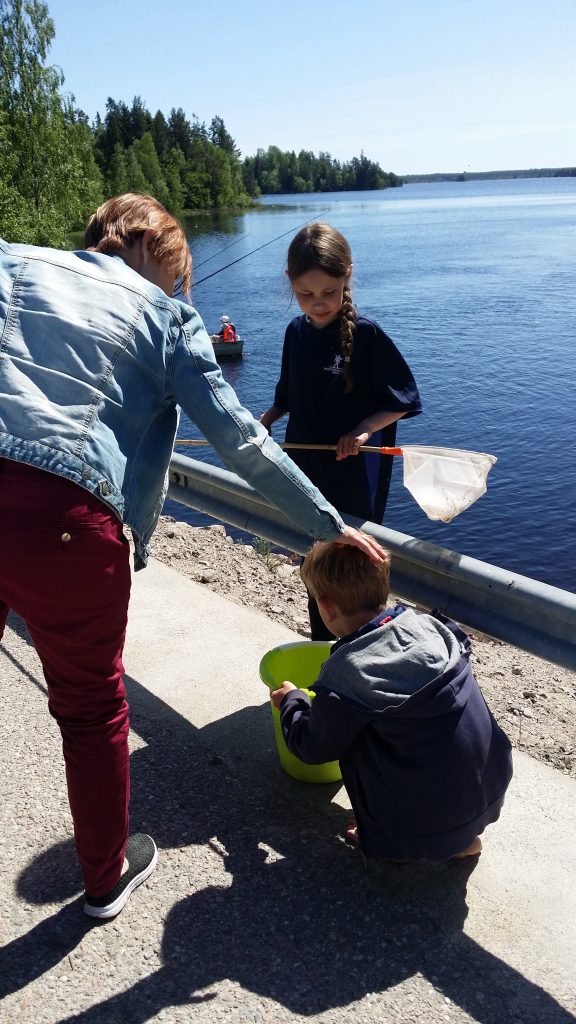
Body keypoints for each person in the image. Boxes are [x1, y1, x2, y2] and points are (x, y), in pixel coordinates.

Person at [0, 194, 386, 920]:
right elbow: (245, 445)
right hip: (66, 525)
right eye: (177, 273)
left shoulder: (12, 260)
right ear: (150, 245)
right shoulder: (168, 317)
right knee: (88, 713)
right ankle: (103, 878)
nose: (179, 289)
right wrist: (329, 526)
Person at [271, 541, 513, 861]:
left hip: (431, 818)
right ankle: (461, 840)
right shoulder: (428, 626)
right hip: (490, 788)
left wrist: (294, 701)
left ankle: (398, 837)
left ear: (326, 607)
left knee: (356, 736)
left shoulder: (349, 670)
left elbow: (313, 748)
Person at [259, 222, 422, 641]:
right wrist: (265, 421)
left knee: (352, 565)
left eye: (329, 292)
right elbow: (288, 396)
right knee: (316, 560)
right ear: (290, 283)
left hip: (354, 471)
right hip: (305, 465)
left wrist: (363, 430)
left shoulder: (366, 335)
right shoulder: (295, 333)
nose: (318, 304)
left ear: (347, 275)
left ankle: (362, 648)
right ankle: (323, 647)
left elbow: (402, 400)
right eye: (306, 294)